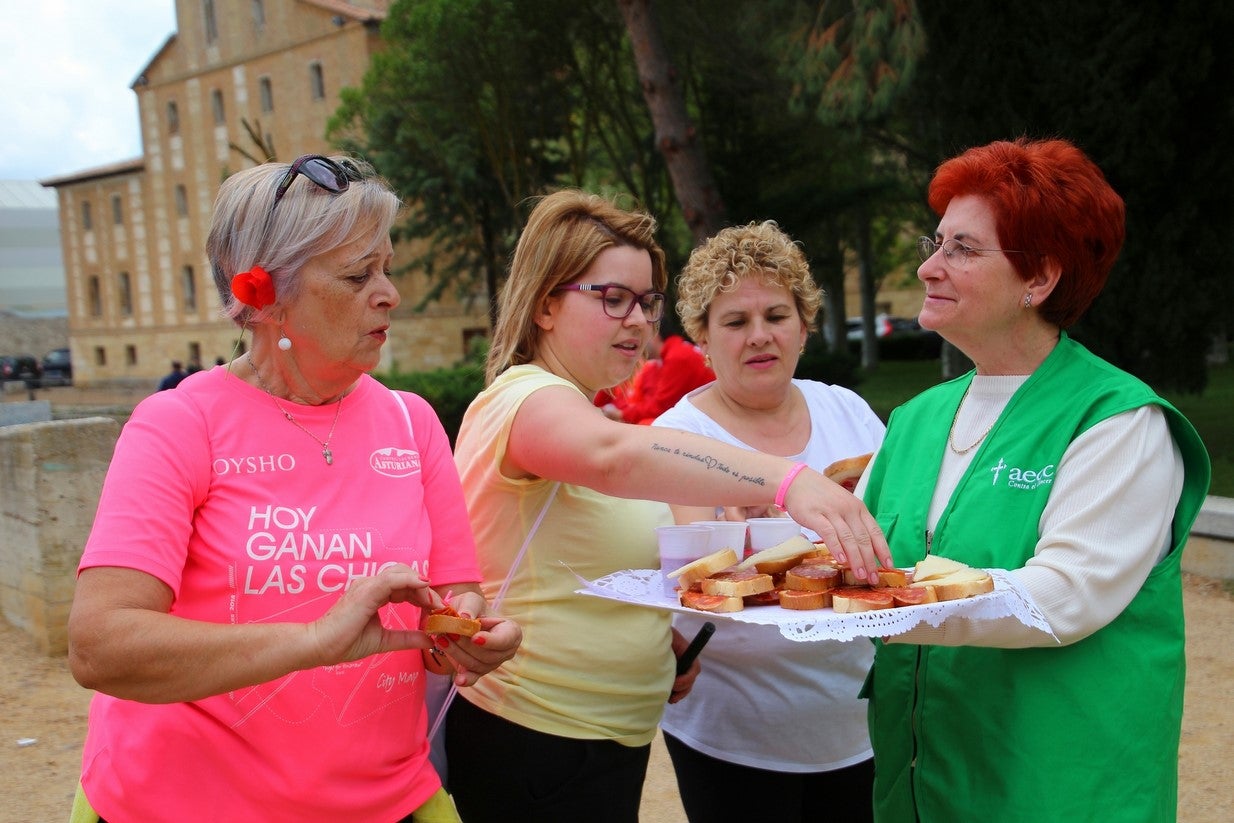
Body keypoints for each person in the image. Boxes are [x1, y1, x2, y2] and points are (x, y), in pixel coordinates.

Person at [66, 154, 521, 823]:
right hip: (184, 804)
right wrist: (314, 638)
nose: (390, 292)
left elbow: (456, 588)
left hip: (384, 799)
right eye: (358, 273)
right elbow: (98, 643)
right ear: (262, 292)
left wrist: (465, 631)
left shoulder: (411, 420)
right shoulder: (180, 423)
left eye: (387, 267)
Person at [446, 189, 890, 823]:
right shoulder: (523, 398)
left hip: (603, 739)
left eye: (646, 303)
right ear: (545, 304)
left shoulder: (580, 405)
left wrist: (667, 648)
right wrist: (789, 483)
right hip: (537, 732)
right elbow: (614, 456)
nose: (636, 321)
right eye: (613, 298)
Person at [857, 137, 1211, 821]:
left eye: (962, 248)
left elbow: (1064, 595)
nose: (930, 265)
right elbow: (854, 557)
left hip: (1061, 787)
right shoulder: (913, 419)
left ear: (1039, 279)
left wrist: (892, 603)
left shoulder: (1117, 421)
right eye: (937, 241)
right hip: (921, 786)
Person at [652, 220, 884, 822]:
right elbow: (694, 584)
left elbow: (898, 538)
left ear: (804, 325)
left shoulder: (849, 411)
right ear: (702, 336)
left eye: (777, 316)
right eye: (735, 322)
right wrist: (740, 533)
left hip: (856, 723)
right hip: (733, 732)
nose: (760, 336)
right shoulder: (678, 437)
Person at [598, 330, 714, 424]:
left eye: (638, 336)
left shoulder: (678, 357)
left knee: (647, 424)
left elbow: (661, 407)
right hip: (701, 418)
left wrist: (622, 414)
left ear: (654, 334)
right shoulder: (665, 359)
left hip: (707, 421)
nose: (635, 345)